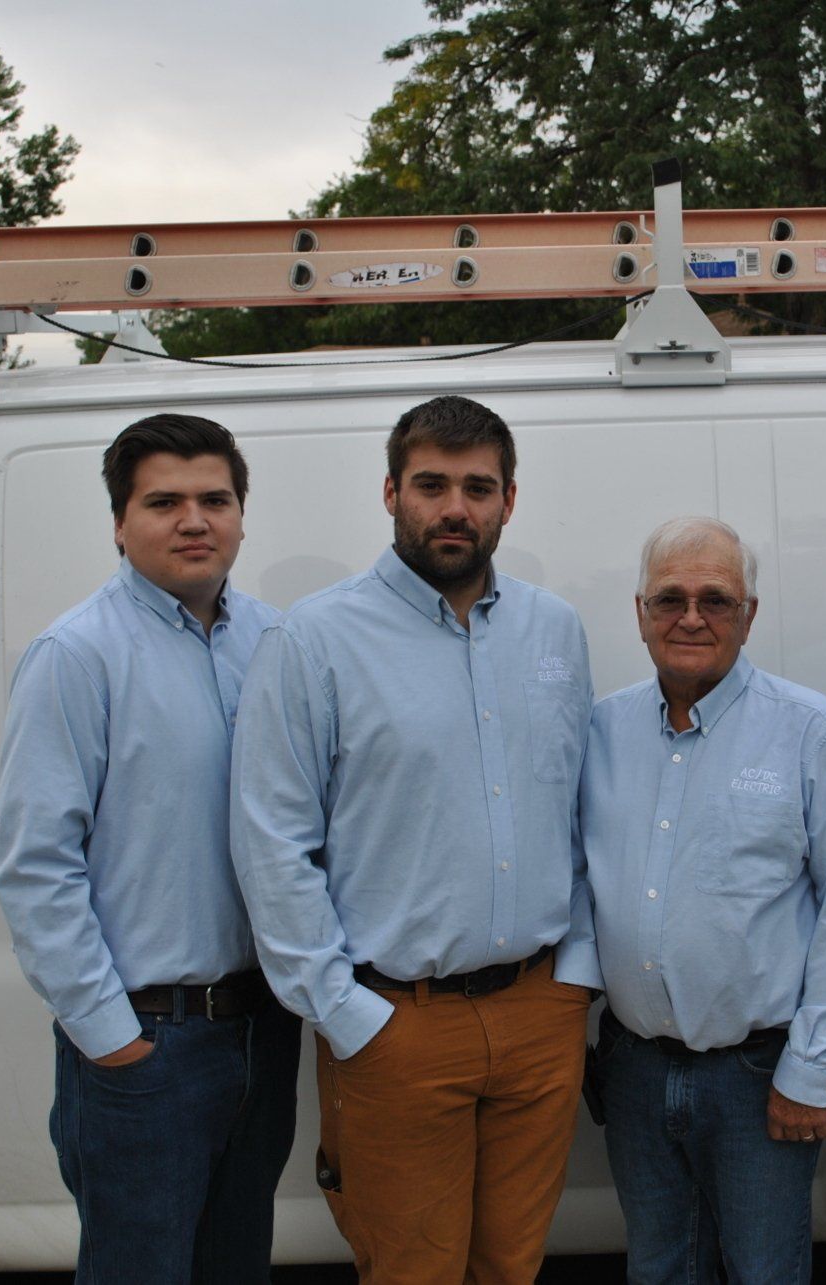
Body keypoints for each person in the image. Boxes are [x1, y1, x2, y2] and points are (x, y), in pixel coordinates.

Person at [229, 394, 596, 1285]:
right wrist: (344, 1012)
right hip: (398, 1024)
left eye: (478, 487)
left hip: (539, 1017)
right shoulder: (314, 639)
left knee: (511, 1267)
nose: (455, 508)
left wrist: (574, 980)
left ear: (510, 500)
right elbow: (272, 840)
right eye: (432, 485)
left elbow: (583, 807)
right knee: (410, 1273)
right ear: (391, 493)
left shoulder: (554, 629)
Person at [0, 414, 300, 1284]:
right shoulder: (76, 655)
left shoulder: (275, 642)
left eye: (215, 499)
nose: (194, 520)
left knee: (237, 1267)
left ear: (241, 516)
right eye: (164, 502)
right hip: (147, 1046)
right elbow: (36, 866)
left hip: (260, 1032)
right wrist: (110, 1039)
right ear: (119, 523)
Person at [582, 516, 826, 1284]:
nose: (691, 617)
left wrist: (811, 1075)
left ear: (749, 614)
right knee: (658, 1267)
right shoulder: (601, 732)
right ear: (640, 612)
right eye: (670, 598)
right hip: (634, 1070)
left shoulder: (814, 734)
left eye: (715, 599)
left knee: (765, 1271)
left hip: (760, 1076)